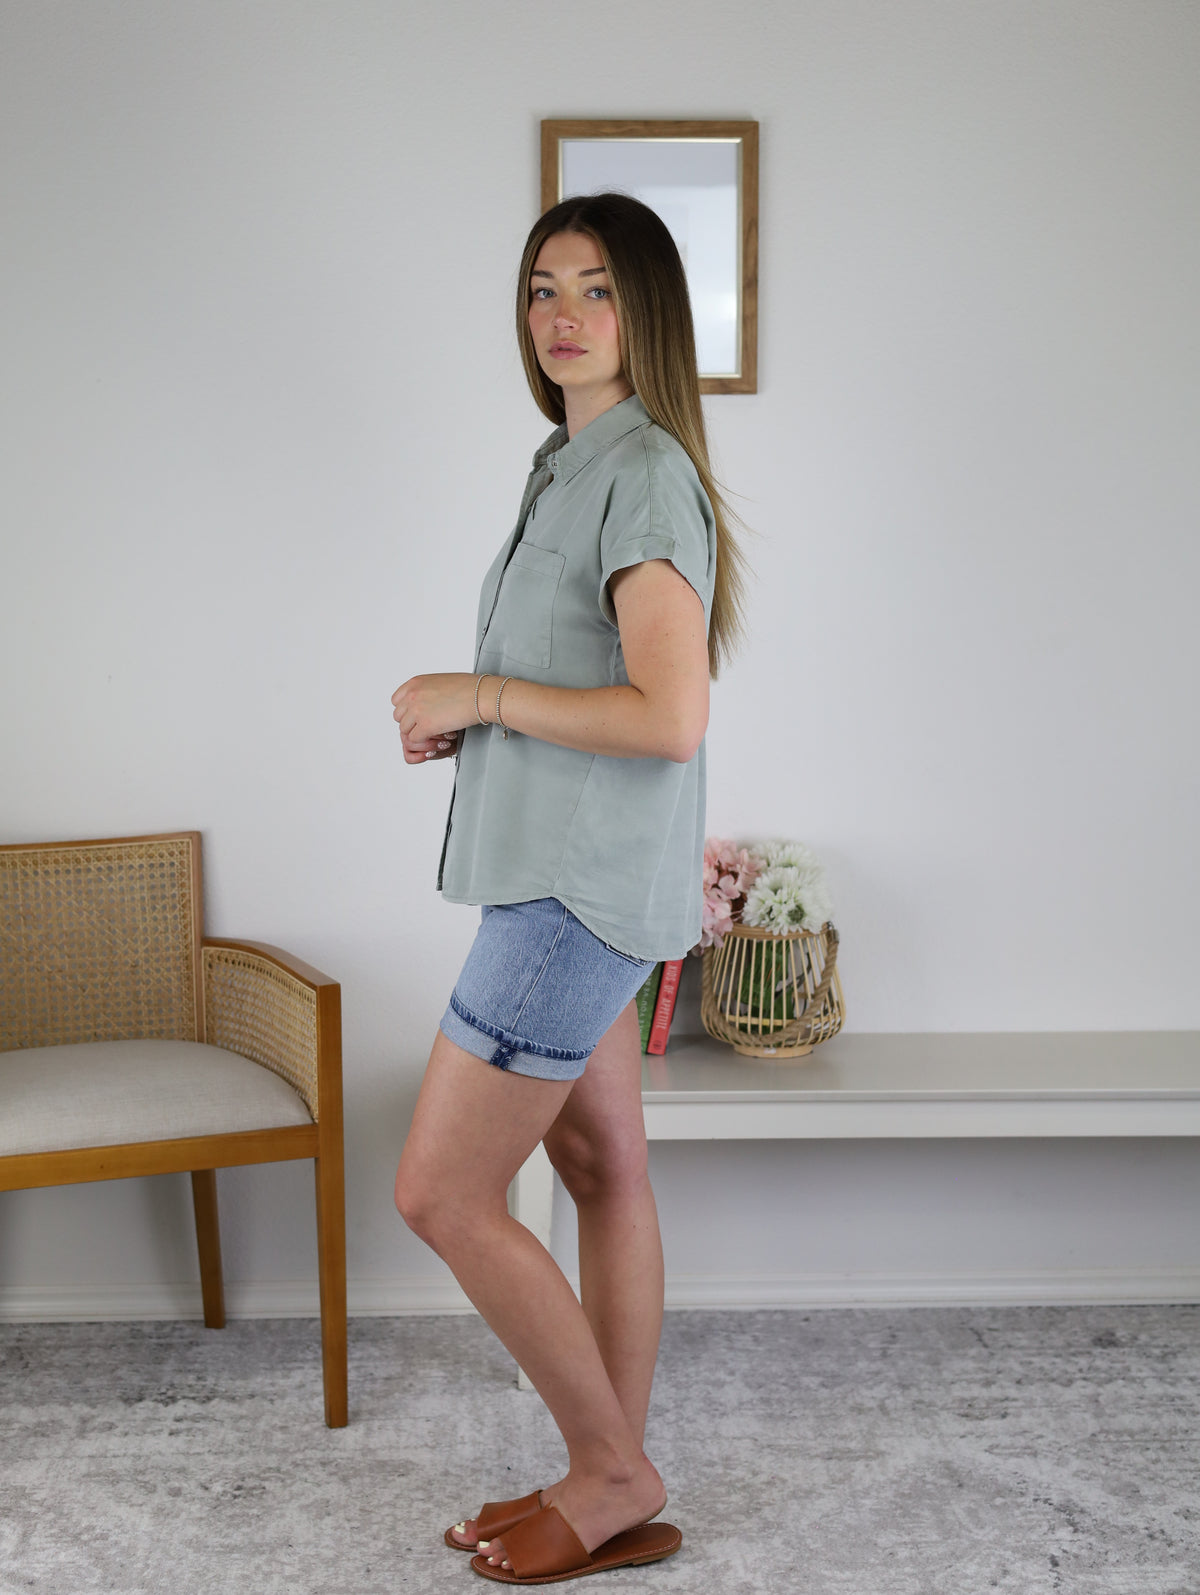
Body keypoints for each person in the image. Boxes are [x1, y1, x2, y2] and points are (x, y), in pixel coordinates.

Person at [390, 191, 748, 1585]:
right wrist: (477, 723)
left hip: (570, 896)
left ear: (644, 309)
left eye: (596, 288)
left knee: (441, 1191)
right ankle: (614, 1483)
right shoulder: (572, 462)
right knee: (602, 1169)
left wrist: (478, 693)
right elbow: (590, 686)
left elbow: (669, 716)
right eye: (544, 288)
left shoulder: (641, 474)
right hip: (577, 875)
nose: (563, 315)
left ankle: (609, 1471)